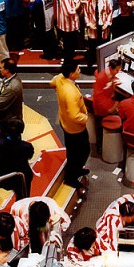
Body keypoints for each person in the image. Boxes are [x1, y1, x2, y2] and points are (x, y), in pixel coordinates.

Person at [50, 60, 89, 189]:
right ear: (71, 74)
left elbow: (52, 82)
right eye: (78, 69)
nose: (80, 71)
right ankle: (71, 178)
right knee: (81, 152)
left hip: (65, 121)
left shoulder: (60, 78)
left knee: (73, 151)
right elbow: (74, 115)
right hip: (75, 128)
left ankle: (76, 170)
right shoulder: (71, 93)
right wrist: (85, 118)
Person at [0, 118, 33, 200]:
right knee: (23, 197)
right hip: (21, 178)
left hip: (3, 177)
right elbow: (29, 156)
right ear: (21, 131)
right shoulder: (27, 147)